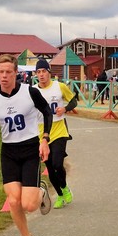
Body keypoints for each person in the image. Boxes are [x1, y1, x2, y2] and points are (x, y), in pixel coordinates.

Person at [0, 54, 53, 236]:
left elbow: (47, 112)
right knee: (13, 201)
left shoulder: (29, 92)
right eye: (0, 72)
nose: (3, 76)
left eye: (8, 72)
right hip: (9, 152)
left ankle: (41, 190)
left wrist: (45, 138)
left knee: (28, 205)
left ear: (16, 74)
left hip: (29, 150)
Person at [33, 59, 78, 208]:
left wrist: (65, 109)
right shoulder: (33, 91)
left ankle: (64, 188)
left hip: (59, 130)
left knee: (57, 164)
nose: (41, 75)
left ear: (49, 72)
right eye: (38, 72)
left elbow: (73, 101)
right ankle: (59, 195)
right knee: (50, 168)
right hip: (41, 134)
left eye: (44, 71)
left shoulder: (60, 87)